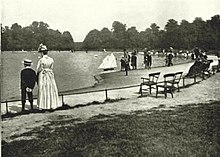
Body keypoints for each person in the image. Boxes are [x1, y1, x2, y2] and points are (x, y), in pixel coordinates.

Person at [37, 44, 61, 109]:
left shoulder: (41, 60)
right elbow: (51, 67)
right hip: (50, 75)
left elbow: (39, 69)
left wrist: (38, 75)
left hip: (43, 75)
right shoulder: (51, 59)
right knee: (51, 88)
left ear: (42, 53)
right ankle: (51, 105)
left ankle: (43, 105)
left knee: (43, 88)